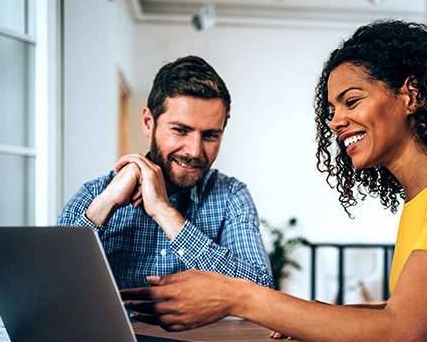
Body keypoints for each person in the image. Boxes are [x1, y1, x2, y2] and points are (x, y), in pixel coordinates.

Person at [120, 22, 427, 342]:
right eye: (332, 109)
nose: (335, 121)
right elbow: (413, 312)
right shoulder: (423, 200)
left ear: (410, 94)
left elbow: (398, 336)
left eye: (351, 101)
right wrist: (301, 318)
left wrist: (236, 296)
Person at [58, 56, 273, 290]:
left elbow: (261, 289)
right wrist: (105, 205)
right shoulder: (96, 193)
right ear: (149, 122)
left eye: (210, 135)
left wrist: (163, 211)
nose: (194, 151)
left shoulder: (231, 195)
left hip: (206, 330)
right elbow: (50, 283)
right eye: (180, 130)